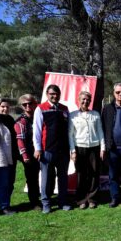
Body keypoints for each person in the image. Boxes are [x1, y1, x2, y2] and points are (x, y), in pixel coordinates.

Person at [33, 84, 72, 213]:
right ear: (47, 95)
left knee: (63, 177)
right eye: (52, 94)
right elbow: (37, 131)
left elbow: (69, 130)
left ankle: (63, 202)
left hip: (63, 150)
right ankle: (46, 203)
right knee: (46, 178)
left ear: (60, 95)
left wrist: (71, 149)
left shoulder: (64, 109)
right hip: (47, 150)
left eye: (57, 94)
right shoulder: (40, 108)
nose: (54, 96)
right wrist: (38, 148)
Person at [69, 91, 105, 209]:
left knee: (94, 174)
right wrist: (73, 151)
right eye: (83, 99)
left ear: (90, 101)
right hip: (80, 148)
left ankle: (92, 198)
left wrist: (102, 148)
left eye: (88, 100)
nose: (85, 101)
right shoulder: (73, 115)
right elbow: (70, 135)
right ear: (79, 100)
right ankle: (81, 199)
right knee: (81, 174)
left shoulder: (95, 114)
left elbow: (100, 132)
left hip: (94, 148)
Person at [15, 94, 41, 210]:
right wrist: (25, 156)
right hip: (29, 155)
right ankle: (34, 202)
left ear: (35, 103)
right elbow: (20, 140)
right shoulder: (21, 122)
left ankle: (44, 197)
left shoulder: (39, 116)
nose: (28, 106)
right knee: (32, 178)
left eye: (30, 103)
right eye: (24, 104)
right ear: (21, 106)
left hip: (42, 152)